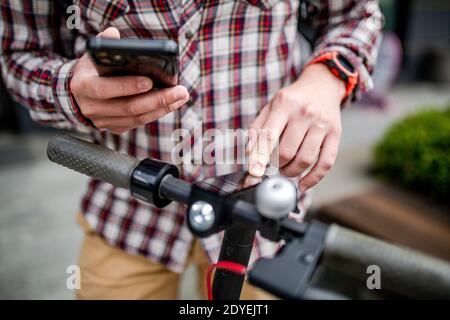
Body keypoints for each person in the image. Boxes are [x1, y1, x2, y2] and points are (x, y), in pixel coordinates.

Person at [0, 0, 383, 299]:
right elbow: (21, 52)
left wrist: (329, 76)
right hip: (128, 207)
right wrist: (69, 89)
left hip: (262, 212)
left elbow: (356, 14)